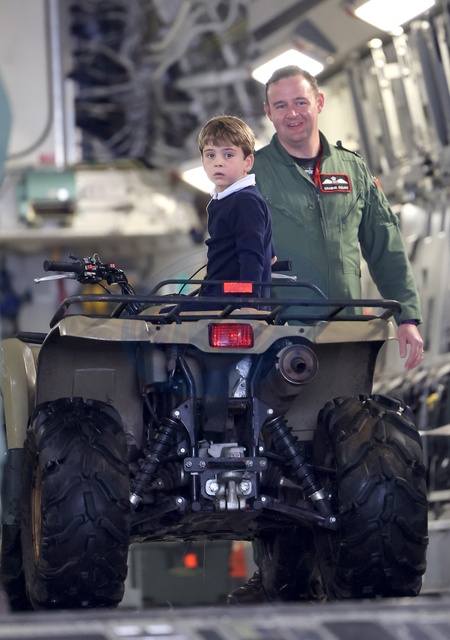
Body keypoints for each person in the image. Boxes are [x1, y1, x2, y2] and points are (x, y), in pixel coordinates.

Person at [227, 65, 424, 605]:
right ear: (268, 114)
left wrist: (407, 315)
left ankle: (346, 563)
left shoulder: (352, 170)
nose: (292, 114)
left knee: (351, 447)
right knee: (272, 444)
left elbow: (384, 244)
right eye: (280, 105)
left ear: (318, 103)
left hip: (346, 335)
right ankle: (277, 567)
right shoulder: (253, 172)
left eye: (300, 102)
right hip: (274, 334)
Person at [198, 114, 276, 299]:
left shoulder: (244, 201)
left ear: (247, 163)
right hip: (221, 294)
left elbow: (252, 257)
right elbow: (272, 257)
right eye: (210, 155)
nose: (218, 162)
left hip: (234, 300)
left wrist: (249, 306)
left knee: (159, 313)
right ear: (203, 161)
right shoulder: (221, 201)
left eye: (229, 155)